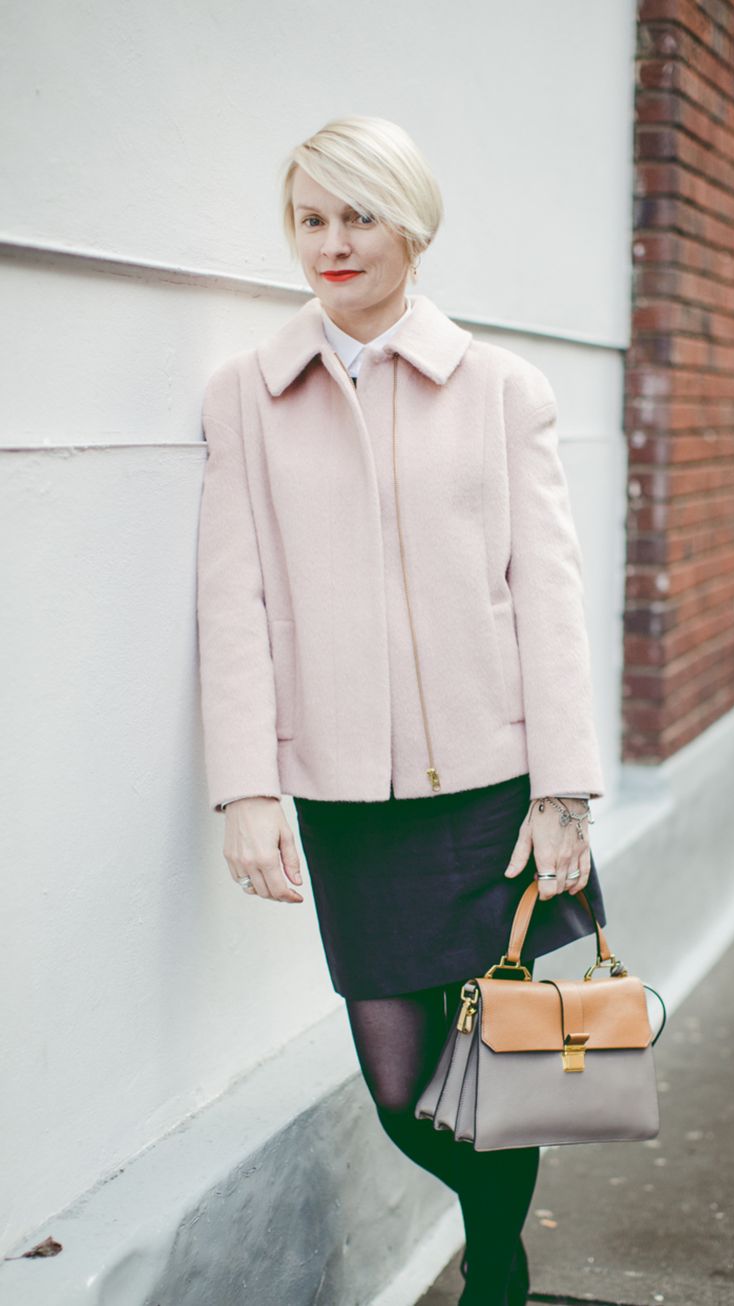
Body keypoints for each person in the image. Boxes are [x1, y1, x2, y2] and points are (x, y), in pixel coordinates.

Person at [195, 115, 607, 1306]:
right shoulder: (247, 396)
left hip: (493, 794)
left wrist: (563, 789)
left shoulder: (500, 390)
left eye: (356, 215)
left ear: (411, 225)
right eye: (309, 218)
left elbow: (550, 597)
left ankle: (493, 1270)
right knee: (400, 1088)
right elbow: (236, 604)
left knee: (513, 1063)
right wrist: (245, 789)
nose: (330, 242)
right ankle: (495, 1233)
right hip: (344, 802)